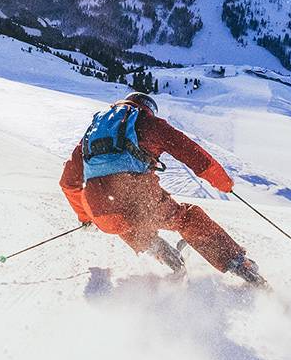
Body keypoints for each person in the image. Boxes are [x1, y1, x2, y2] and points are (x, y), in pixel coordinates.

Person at [60, 91, 264, 286]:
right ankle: (238, 263)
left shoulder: (93, 133)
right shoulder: (147, 123)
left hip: (98, 208)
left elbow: (68, 182)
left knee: (123, 221)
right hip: (134, 193)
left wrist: (86, 217)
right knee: (187, 218)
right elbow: (190, 151)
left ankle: (160, 251)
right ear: (148, 108)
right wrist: (223, 182)